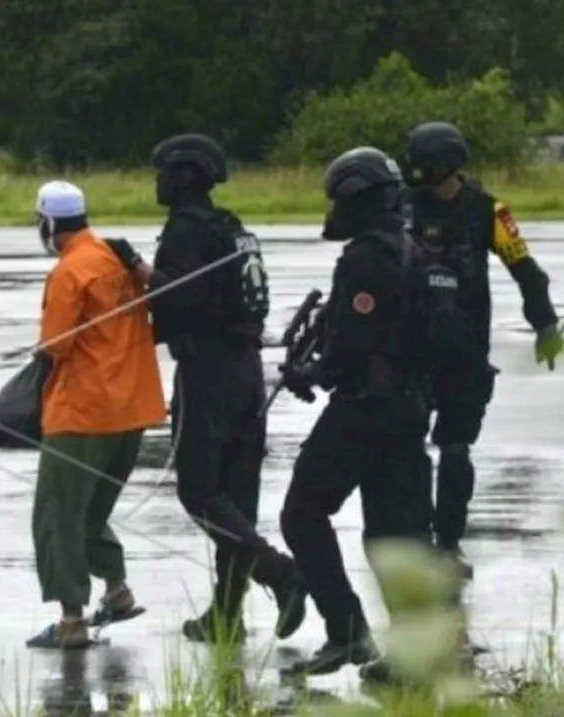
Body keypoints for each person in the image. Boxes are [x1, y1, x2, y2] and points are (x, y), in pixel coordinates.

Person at [104, 133, 307, 644]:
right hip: (247, 372)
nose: (158, 182)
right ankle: (226, 616)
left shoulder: (186, 230)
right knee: (235, 498)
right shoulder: (230, 227)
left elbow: (180, 294)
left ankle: (279, 573)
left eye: (164, 172)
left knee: (199, 493)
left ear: (185, 175)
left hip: (208, 371)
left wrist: (133, 265)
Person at [278, 146, 465, 678]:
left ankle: (347, 633)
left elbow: (348, 351)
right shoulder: (414, 251)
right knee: (392, 537)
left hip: (365, 410)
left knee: (302, 511)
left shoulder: (364, 259)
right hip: (409, 413)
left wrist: (308, 375)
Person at [400, 121, 563, 577]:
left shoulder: (489, 211)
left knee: (454, 452)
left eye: (421, 160)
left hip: (464, 355)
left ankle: (447, 545)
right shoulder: (401, 207)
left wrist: (545, 325)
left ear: (445, 163)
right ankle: (412, 543)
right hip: (410, 353)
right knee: (405, 451)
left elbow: (526, 270)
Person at [25, 180, 166, 649]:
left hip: (83, 413)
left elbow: (56, 346)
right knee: (92, 513)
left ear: (48, 223)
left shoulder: (70, 271)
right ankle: (117, 592)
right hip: (132, 410)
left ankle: (71, 622)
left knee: (58, 516)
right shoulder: (119, 260)